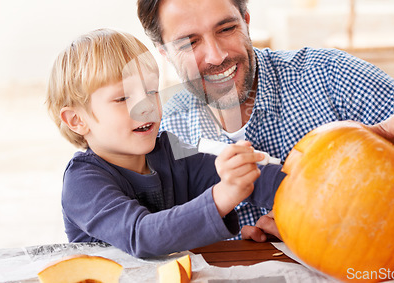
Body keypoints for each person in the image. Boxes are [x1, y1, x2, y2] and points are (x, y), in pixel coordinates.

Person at [136, 0, 394, 239]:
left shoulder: (332, 78)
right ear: (164, 52)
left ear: (246, 21)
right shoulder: (164, 130)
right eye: (189, 42)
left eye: (226, 29)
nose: (216, 55)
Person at [45, 28, 286, 257]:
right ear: (76, 120)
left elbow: (250, 178)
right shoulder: (82, 182)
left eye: (151, 92)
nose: (147, 106)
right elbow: (141, 235)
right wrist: (223, 196)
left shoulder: (170, 151)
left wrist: (297, 194)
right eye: (123, 98)